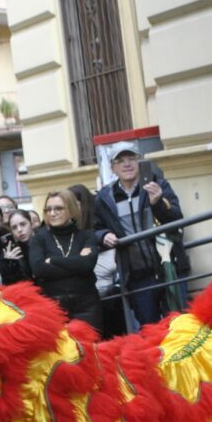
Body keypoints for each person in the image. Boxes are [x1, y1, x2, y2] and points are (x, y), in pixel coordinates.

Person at [94, 141, 184, 326]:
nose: (127, 164)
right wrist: (103, 235)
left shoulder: (157, 184)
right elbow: (95, 228)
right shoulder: (104, 197)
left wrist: (158, 202)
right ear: (113, 168)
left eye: (131, 158)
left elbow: (176, 219)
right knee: (149, 331)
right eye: (120, 160)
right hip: (136, 277)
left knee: (179, 326)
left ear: (139, 161)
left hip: (168, 269)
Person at [29, 190, 102, 332]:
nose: (52, 213)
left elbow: (87, 265)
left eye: (58, 208)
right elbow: (39, 269)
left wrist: (54, 260)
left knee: (90, 350)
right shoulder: (39, 239)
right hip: (54, 306)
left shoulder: (86, 236)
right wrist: (76, 262)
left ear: (71, 209)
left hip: (86, 305)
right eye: (48, 209)